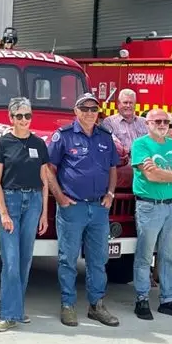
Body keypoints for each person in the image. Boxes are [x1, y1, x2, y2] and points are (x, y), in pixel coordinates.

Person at [44, 93, 121, 327]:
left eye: (93, 108)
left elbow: (113, 168)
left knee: (98, 259)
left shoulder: (106, 137)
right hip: (72, 207)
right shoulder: (64, 136)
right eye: (84, 108)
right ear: (75, 111)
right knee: (68, 259)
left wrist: (110, 194)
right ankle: (68, 305)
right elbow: (48, 168)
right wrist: (59, 196)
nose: (89, 112)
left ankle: (96, 305)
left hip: (99, 208)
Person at [0, 97, 48, 332]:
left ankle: (18, 310)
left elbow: (44, 180)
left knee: (25, 260)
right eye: (19, 116)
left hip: (33, 201)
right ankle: (7, 314)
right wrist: (3, 212)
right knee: (11, 261)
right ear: (10, 118)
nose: (24, 120)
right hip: (10, 201)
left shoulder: (39, 144)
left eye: (28, 115)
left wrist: (43, 213)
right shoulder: (3, 144)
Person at [129, 108, 172, 321]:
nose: (162, 124)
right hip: (149, 206)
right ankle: (142, 299)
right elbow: (150, 175)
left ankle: (167, 300)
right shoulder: (140, 144)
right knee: (145, 255)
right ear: (147, 123)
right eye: (157, 121)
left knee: (168, 256)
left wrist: (162, 173)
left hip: (171, 207)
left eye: (166, 121)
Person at [102, 88, 149, 162]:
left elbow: (150, 142)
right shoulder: (109, 122)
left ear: (135, 104)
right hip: (123, 165)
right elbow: (114, 147)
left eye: (131, 103)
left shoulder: (144, 122)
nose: (128, 105)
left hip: (143, 162)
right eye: (125, 102)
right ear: (118, 103)